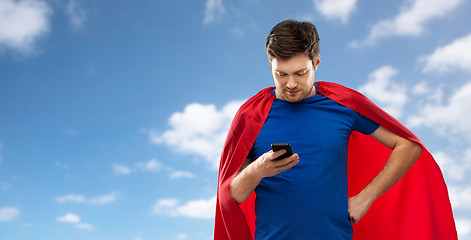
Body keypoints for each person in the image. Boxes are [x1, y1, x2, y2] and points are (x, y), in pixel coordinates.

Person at [214, 20, 457, 240]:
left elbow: (408, 145)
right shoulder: (251, 116)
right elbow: (231, 196)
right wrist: (258, 169)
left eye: (301, 73)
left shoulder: (343, 104)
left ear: (316, 62)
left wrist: (366, 197)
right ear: (270, 66)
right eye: (281, 74)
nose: (290, 84)